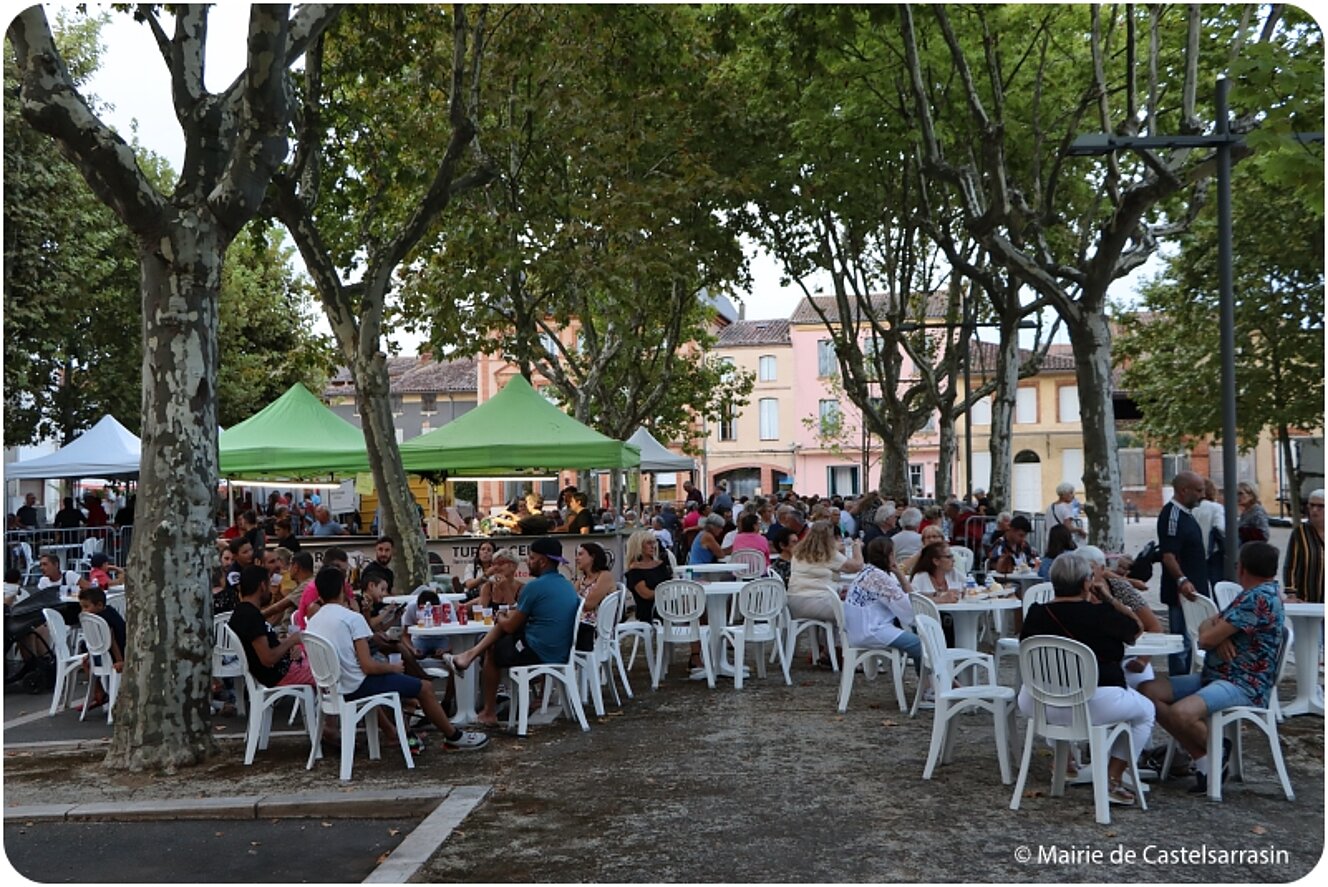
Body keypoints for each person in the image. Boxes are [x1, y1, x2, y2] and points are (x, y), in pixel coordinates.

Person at [1142, 541, 1285, 795]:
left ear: (1242, 568)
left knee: (1182, 714)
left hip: (1242, 682)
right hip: (1217, 675)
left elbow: (1205, 637)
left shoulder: (1259, 599)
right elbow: (1208, 626)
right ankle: (1207, 759)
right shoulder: (1252, 594)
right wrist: (1220, 635)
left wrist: (1216, 634)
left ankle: (1218, 750)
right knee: (1148, 691)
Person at [305, 565, 488, 750]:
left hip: (332, 689)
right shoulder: (352, 618)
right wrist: (393, 669)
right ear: (342, 590)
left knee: (400, 682)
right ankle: (453, 737)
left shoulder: (314, 621)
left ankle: (402, 733)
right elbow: (368, 667)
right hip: (356, 686)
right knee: (424, 687)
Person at [1020, 553, 1153, 805]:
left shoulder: (1036, 613)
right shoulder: (1101, 614)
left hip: (1039, 703)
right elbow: (1136, 628)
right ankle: (1112, 778)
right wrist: (1109, 598)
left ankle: (1065, 761)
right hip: (1094, 702)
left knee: (1056, 693)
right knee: (1146, 711)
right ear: (1086, 583)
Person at [443, 539, 580, 727]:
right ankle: (468, 657)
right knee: (502, 634)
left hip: (541, 651)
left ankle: (488, 711)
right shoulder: (566, 585)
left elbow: (510, 626)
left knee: (493, 647)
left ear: (543, 562)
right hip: (558, 648)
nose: (528, 562)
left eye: (531, 558)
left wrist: (500, 617)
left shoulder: (533, 587)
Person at [1077, 545, 1165, 690]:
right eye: (1079, 571)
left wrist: (1142, 661)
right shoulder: (1072, 591)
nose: (1085, 576)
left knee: (1144, 684)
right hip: (1086, 662)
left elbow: (1154, 626)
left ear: (1102, 569)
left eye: (1090, 571)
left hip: (1125, 657)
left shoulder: (1119, 587)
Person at [227, 565, 317, 691]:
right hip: (280, 674)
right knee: (329, 671)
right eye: (269, 585)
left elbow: (266, 644)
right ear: (263, 586)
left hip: (283, 668)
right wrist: (291, 641)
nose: (270, 590)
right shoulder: (250, 616)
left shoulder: (244, 612)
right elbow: (268, 659)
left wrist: (288, 645)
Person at [786, 522, 863, 662]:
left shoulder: (799, 552)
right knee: (849, 611)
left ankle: (826, 649)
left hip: (794, 600)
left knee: (836, 606)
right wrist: (857, 548)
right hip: (813, 600)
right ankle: (843, 652)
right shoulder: (828, 554)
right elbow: (856, 566)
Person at [843, 536, 922, 670]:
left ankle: (932, 683)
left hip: (856, 630)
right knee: (920, 644)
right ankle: (929, 685)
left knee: (918, 639)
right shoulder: (881, 579)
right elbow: (910, 609)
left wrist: (897, 573)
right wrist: (900, 575)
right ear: (890, 555)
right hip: (871, 630)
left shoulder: (867, 572)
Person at [1158, 470, 1209, 675]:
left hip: (1194, 590)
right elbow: (1168, 555)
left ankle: (1186, 680)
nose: (1202, 495)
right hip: (1182, 592)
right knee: (1182, 642)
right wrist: (1182, 580)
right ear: (1183, 490)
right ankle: (1178, 684)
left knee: (1192, 639)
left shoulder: (1186, 515)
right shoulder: (1172, 515)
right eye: (1198, 490)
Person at [77, 585, 127, 712]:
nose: (84, 611)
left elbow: (113, 640)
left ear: (99, 605)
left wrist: (119, 660)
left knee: (88, 664)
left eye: (87, 607)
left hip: (117, 652)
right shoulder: (107, 611)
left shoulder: (104, 619)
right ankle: (99, 693)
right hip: (106, 652)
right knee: (87, 662)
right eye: (82, 607)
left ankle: (99, 694)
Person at [572, 542, 616, 651]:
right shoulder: (582, 579)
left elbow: (589, 605)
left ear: (593, 557)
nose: (577, 558)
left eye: (581, 554)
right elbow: (569, 600)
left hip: (596, 627)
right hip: (580, 623)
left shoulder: (604, 576)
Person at [1284, 488, 1325, 603]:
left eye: (1320, 506)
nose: (1314, 510)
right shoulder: (1300, 533)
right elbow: (1290, 566)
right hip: (1306, 599)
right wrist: (1291, 594)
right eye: (1311, 506)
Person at [623, 530, 671, 623]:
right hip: (650, 611)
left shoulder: (660, 564)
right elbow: (646, 594)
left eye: (654, 542)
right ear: (638, 546)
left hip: (667, 604)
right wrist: (667, 593)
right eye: (649, 543)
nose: (653, 546)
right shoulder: (634, 570)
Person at [1193, 478, 1226, 595]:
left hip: (1195, 554)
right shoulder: (1216, 508)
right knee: (1218, 589)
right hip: (1213, 554)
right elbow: (1220, 528)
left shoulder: (1190, 508)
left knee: (1199, 591)